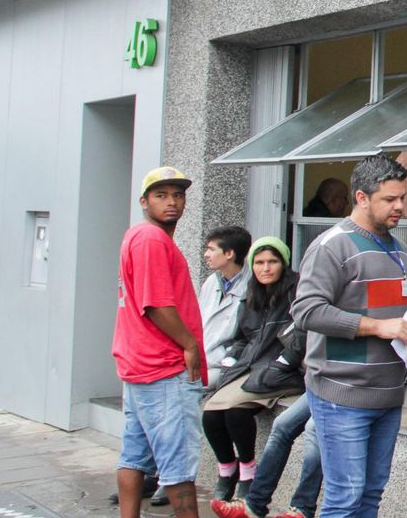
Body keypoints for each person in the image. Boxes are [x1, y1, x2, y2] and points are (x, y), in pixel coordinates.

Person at [292, 154, 407, 518]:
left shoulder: (402, 251)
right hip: (341, 394)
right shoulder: (333, 246)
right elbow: (306, 310)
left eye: (403, 197)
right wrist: (376, 327)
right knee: (344, 499)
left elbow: (406, 304)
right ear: (361, 198)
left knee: (371, 495)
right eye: (390, 199)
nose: (400, 207)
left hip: (389, 394)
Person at [113, 166, 205, 518]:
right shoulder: (151, 239)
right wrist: (190, 345)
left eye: (178, 195)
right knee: (178, 467)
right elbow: (156, 305)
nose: (172, 202)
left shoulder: (139, 236)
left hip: (140, 366)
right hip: (163, 368)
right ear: (144, 201)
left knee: (133, 456)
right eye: (161, 195)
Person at [204, 237, 304, 508]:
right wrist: (231, 357)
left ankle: (248, 470)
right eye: (259, 262)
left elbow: (304, 332)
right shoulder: (252, 293)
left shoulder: (296, 291)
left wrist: (286, 361)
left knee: (236, 413)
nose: (266, 268)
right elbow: (241, 337)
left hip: (281, 370)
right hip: (249, 366)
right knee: (211, 415)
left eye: (272, 262)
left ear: (283, 264)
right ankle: (227, 468)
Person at [199, 227, 251, 409]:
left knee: (188, 389)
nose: (206, 254)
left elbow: (248, 337)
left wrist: (225, 358)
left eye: (211, 249)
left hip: (223, 364)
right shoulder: (212, 281)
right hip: (200, 359)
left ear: (229, 254)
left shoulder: (252, 286)